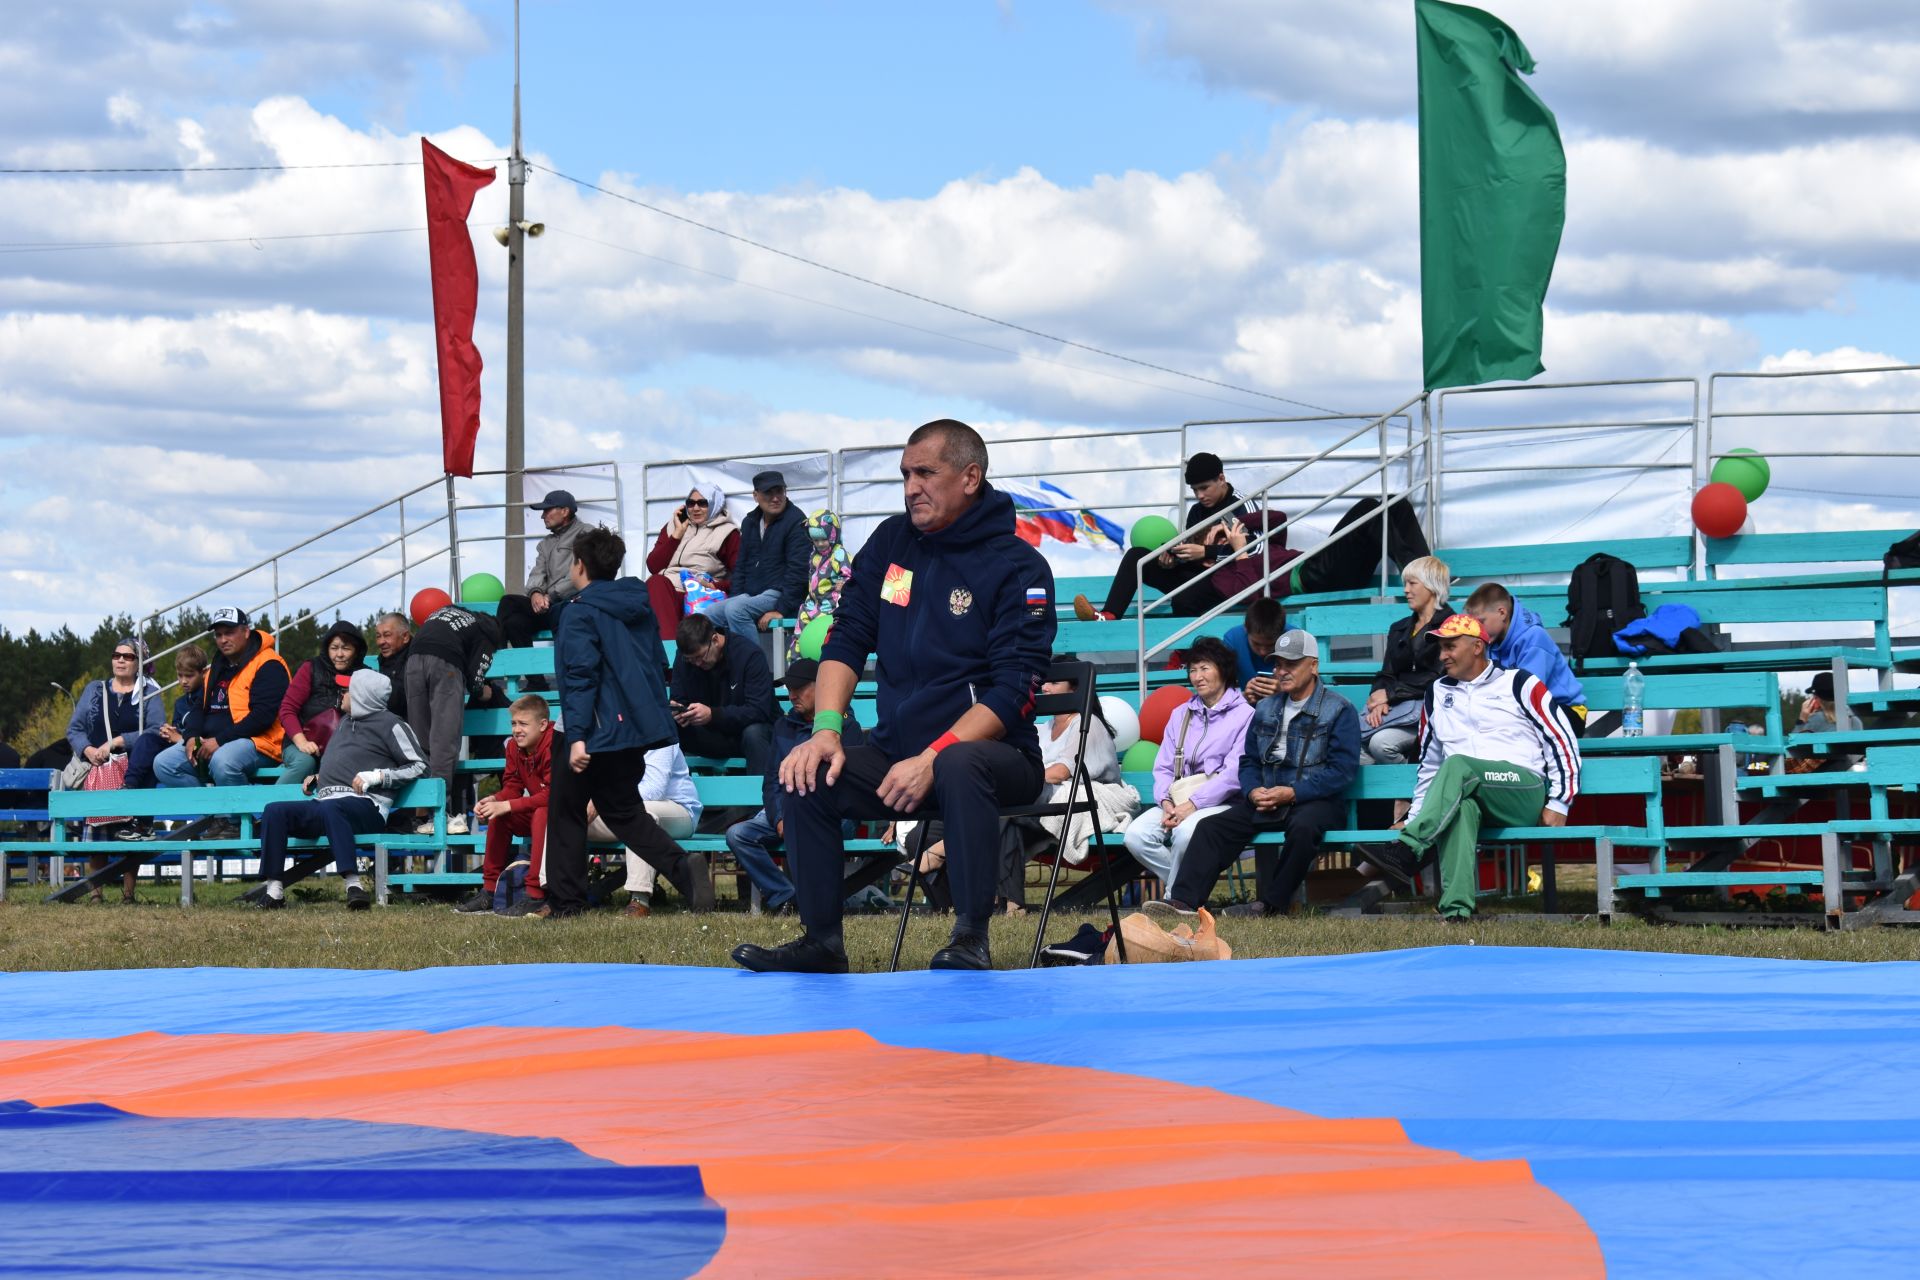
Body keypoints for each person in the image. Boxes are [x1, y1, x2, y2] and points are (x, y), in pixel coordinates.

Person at [732, 418, 1055, 974]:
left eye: (926, 472)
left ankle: (971, 938)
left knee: (957, 761)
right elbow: (847, 636)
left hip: (995, 761)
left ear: (970, 477)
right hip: (897, 753)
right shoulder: (891, 542)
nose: (911, 487)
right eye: (905, 474)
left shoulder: (1019, 566)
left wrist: (932, 757)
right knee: (806, 770)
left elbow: (1013, 692)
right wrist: (826, 730)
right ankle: (821, 942)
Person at [545, 525, 713, 918]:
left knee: (566, 812)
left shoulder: (579, 611)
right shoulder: (639, 606)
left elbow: (580, 676)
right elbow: (657, 664)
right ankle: (682, 868)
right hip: (633, 730)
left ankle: (566, 902)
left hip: (590, 729)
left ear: (579, 564)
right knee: (625, 812)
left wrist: (579, 737)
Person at [1386, 613, 1581, 922]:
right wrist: (1418, 812)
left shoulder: (1520, 682)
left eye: (1450, 647)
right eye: (1440, 648)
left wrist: (1559, 802)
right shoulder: (1436, 693)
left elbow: (1561, 740)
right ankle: (1458, 911)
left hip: (1522, 790)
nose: (1442, 655)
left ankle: (1411, 848)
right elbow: (1430, 766)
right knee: (1460, 807)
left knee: (1460, 765)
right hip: (1466, 790)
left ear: (1477, 647)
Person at [1152, 629, 1361, 917]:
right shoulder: (1264, 708)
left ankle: (1271, 905)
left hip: (1315, 800)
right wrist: (1251, 791)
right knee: (1210, 828)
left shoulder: (1339, 709)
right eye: (1278, 665)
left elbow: (1342, 771)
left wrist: (1294, 792)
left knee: (1303, 828)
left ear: (1313, 665)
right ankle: (1184, 902)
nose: (1282, 671)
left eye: (1292, 664)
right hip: (1266, 798)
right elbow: (1248, 762)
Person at [250, 668, 428, 911]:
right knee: (274, 811)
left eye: (348, 690)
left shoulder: (392, 724)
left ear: (363, 696)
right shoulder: (345, 722)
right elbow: (346, 762)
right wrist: (319, 776)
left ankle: (354, 886)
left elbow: (420, 766)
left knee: (334, 808)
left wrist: (379, 776)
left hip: (367, 806)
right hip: (326, 805)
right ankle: (274, 891)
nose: (342, 693)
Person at [724, 657, 865, 917]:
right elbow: (772, 781)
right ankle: (786, 896)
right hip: (787, 809)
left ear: (821, 686)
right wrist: (778, 817)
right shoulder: (783, 727)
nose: (791, 695)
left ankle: (818, 901)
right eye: (789, 689)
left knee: (813, 831)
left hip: (832, 812)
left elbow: (850, 782)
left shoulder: (847, 727)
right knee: (738, 834)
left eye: (799, 688)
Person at [1119, 636, 1255, 889]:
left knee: (1185, 833)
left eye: (1205, 668)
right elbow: (1164, 767)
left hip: (1222, 803)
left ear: (1223, 670)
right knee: (1136, 836)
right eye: (1193, 669)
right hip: (1179, 801)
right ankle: (1185, 888)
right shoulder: (1181, 714)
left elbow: (1234, 773)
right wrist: (1166, 802)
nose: (1197, 676)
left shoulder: (1245, 715)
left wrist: (1194, 804)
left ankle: (1176, 897)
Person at [1074, 453, 1246, 621]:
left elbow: (1257, 551)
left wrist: (1206, 552)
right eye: (1194, 490)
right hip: (1197, 576)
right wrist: (1174, 559)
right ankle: (1109, 615)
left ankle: (1183, 650)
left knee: (1183, 600)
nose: (1199, 495)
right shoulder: (1197, 510)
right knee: (1137, 556)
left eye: (1204, 488)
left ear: (1221, 479)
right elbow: (1192, 549)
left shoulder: (1241, 505)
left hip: (1226, 580)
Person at [63, 637, 165, 895]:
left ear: (140, 663)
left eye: (128, 656)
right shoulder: (94, 690)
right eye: (116, 654)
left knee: (129, 833)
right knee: (97, 831)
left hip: (134, 770)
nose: (120, 660)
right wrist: (88, 749)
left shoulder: (150, 692)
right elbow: (74, 728)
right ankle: (95, 893)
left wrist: (120, 741)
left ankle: (128, 894)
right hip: (97, 769)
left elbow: (155, 730)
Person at [155, 607, 291, 790]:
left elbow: (263, 717)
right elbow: (197, 709)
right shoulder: (217, 667)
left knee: (223, 762)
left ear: (246, 631)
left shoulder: (268, 664)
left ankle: (233, 818)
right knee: (164, 764)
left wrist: (219, 741)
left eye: (229, 633)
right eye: (218, 635)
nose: (223, 640)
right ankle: (212, 813)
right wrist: (191, 738)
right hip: (213, 742)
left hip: (261, 742)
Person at [405, 602, 502, 835]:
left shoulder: (449, 612)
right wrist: (488, 693)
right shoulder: (487, 633)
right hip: (445, 665)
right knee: (444, 741)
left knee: (420, 742)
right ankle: (440, 813)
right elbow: (476, 680)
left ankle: (420, 816)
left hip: (413, 661)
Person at [457, 694, 552, 916]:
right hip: (539, 812)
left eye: (523, 724)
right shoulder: (513, 747)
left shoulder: (555, 744)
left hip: (565, 816)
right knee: (499, 815)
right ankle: (490, 891)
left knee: (542, 812)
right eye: (514, 723)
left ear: (543, 725)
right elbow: (512, 787)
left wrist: (508, 805)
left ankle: (534, 894)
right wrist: (495, 800)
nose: (517, 730)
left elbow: (554, 795)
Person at [699, 469, 810, 646]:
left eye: (779, 491)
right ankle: (727, 668)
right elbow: (741, 566)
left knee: (735, 610)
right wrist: (735, 597)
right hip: (752, 594)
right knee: (708, 615)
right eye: (768, 492)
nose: (775, 498)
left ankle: (753, 670)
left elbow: (799, 571)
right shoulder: (750, 521)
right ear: (755, 495)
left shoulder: (796, 520)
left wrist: (782, 610)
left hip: (779, 593)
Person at [1464, 583, 1588, 735]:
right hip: (1528, 710)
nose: (1478, 629)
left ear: (1502, 613)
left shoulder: (1534, 637)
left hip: (1568, 711)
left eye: (1481, 622)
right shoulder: (1489, 641)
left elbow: (1529, 692)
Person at [1363, 555, 1450, 765]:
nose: (1406, 590)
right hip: (1396, 706)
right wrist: (1378, 701)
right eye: (1405, 584)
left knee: (1379, 744)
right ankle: (1388, 798)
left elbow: (1438, 678)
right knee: (1354, 749)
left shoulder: (1450, 626)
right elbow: (1386, 673)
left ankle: (1410, 792)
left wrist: (1390, 695)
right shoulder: (1399, 627)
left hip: (1431, 710)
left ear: (1431, 586)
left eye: (1412, 583)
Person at [669, 612, 779, 777]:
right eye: (691, 660)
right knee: (666, 727)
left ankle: (759, 799)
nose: (697, 664)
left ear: (715, 639)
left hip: (745, 733)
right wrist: (679, 712)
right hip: (709, 733)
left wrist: (713, 715)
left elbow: (758, 710)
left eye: (700, 657)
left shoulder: (749, 655)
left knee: (754, 733)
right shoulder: (685, 659)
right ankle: (676, 795)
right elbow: (679, 698)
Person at [605, 740, 704, 918]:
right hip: (619, 809)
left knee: (642, 814)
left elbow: (653, 789)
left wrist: (603, 801)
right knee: (565, 813)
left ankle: (639, 899)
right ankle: (552, 893)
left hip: (678, 810)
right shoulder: (611, 734)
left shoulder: (658, 732)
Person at [275, 621, 369, 789]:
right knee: (304, 762)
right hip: (301, 742)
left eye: (346, 648)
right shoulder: (310, 668)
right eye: (334, 648)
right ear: (327, 648)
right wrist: (302, 742)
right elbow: (287, 709)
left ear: (356, 650)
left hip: (344, 746)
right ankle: (265, 810)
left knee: (342, 762)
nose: (339, 654)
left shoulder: (365, 675)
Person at [644, 482, 739, 641]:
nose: (695, 508)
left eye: (702, 503)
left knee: (656, 585)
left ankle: (671, 653)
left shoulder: (727, 532)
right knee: (632, 590)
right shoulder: (673, 527)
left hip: (695, 593)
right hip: (664, 587)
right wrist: (677, 534)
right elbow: (653, 566)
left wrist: (715, 585)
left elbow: (741, 576)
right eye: (691, 503)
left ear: (714, 504)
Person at [496, 489, 587, 649]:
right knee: (513, 623)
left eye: (547, 510)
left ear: (565, 511)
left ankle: (495, 655)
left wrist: (550, 597)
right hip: (549, 606)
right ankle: (534, 674)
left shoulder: (587, 533)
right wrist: (536, 593)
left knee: (508, 601)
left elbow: (581, 573)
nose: (542, 516)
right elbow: (538, 572)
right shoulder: (545, 543)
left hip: (573, 605)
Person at [786, 509, 852, 661]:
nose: (820, 544)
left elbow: (849, 574)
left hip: (830, 605)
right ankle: (795, 662)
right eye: (815, 540)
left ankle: (820, 663)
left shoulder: (839, 554)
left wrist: (844, 584)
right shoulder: (814, 555)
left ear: (833, 535)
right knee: (800, 626)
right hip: (813, 603)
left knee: (820, 634)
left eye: (824, 539)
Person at [1224, 598, 1286, 706]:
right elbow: (1219, 690)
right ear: (1245, 629)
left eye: (1270, 645)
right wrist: (1243, 697)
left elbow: (1309, 691)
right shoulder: (1232, 640)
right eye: (1256, 644)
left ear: (1282, 634)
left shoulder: (1294, 639)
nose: (1262, 652)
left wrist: (1285, 691)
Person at [373, 613, 413, 718]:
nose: (381, 642)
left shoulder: (416, 660)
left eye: (387, 635)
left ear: (405, 637)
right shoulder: (384, 660)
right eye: (378, 636)